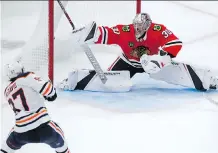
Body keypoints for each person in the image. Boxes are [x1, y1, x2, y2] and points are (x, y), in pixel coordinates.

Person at [57, 12, 218, 92]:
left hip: (152, 62)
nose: (137, 29)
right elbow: (106, 33)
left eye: (140, 27)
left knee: (179, 73)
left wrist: (161, 60)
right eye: (136, 26)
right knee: (108, 82)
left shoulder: (157, 30)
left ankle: (207, 80)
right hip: (128, 61)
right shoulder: (126, 31)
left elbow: (175, 43)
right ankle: (73, 81)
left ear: (148, 26)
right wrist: (88, 34)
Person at [1, 61, 71, 153]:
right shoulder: (26, 76)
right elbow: (50, 92)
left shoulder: (6, 91)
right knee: (62, 144)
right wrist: (50, 89)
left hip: (21, 133)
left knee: (5, 148)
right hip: (44, 128)